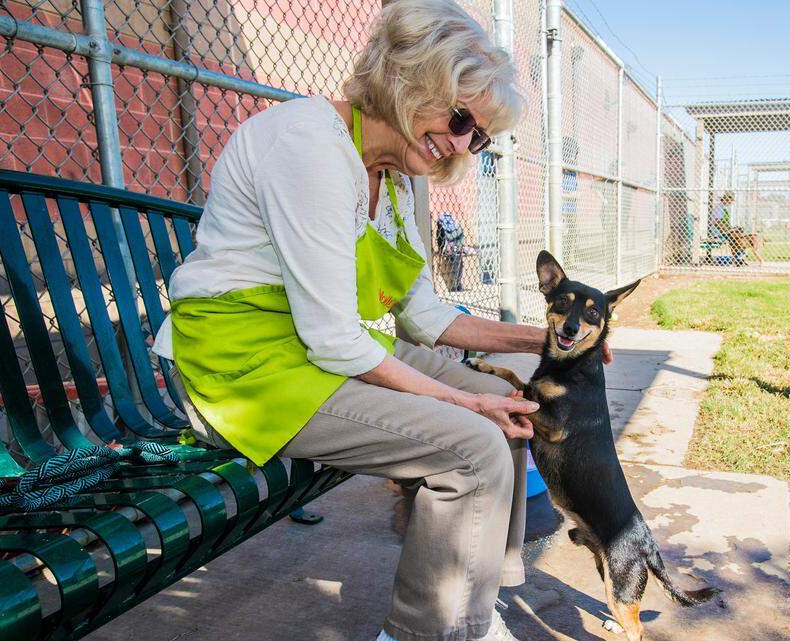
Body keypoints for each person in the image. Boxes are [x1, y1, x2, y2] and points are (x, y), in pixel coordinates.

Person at [150, 2, 609, 639]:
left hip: (318, 350)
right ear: (412, 78)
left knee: (508, 402)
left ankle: (472, 607)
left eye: (476, 136)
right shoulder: (309, 144)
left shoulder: (395, 179)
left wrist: (554, 343)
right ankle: (428, 632)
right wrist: (457, 403)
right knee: (473, 442)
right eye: (458, 118)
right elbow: (333, 337)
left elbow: (424, 316)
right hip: (243, 371)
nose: (459, 144)